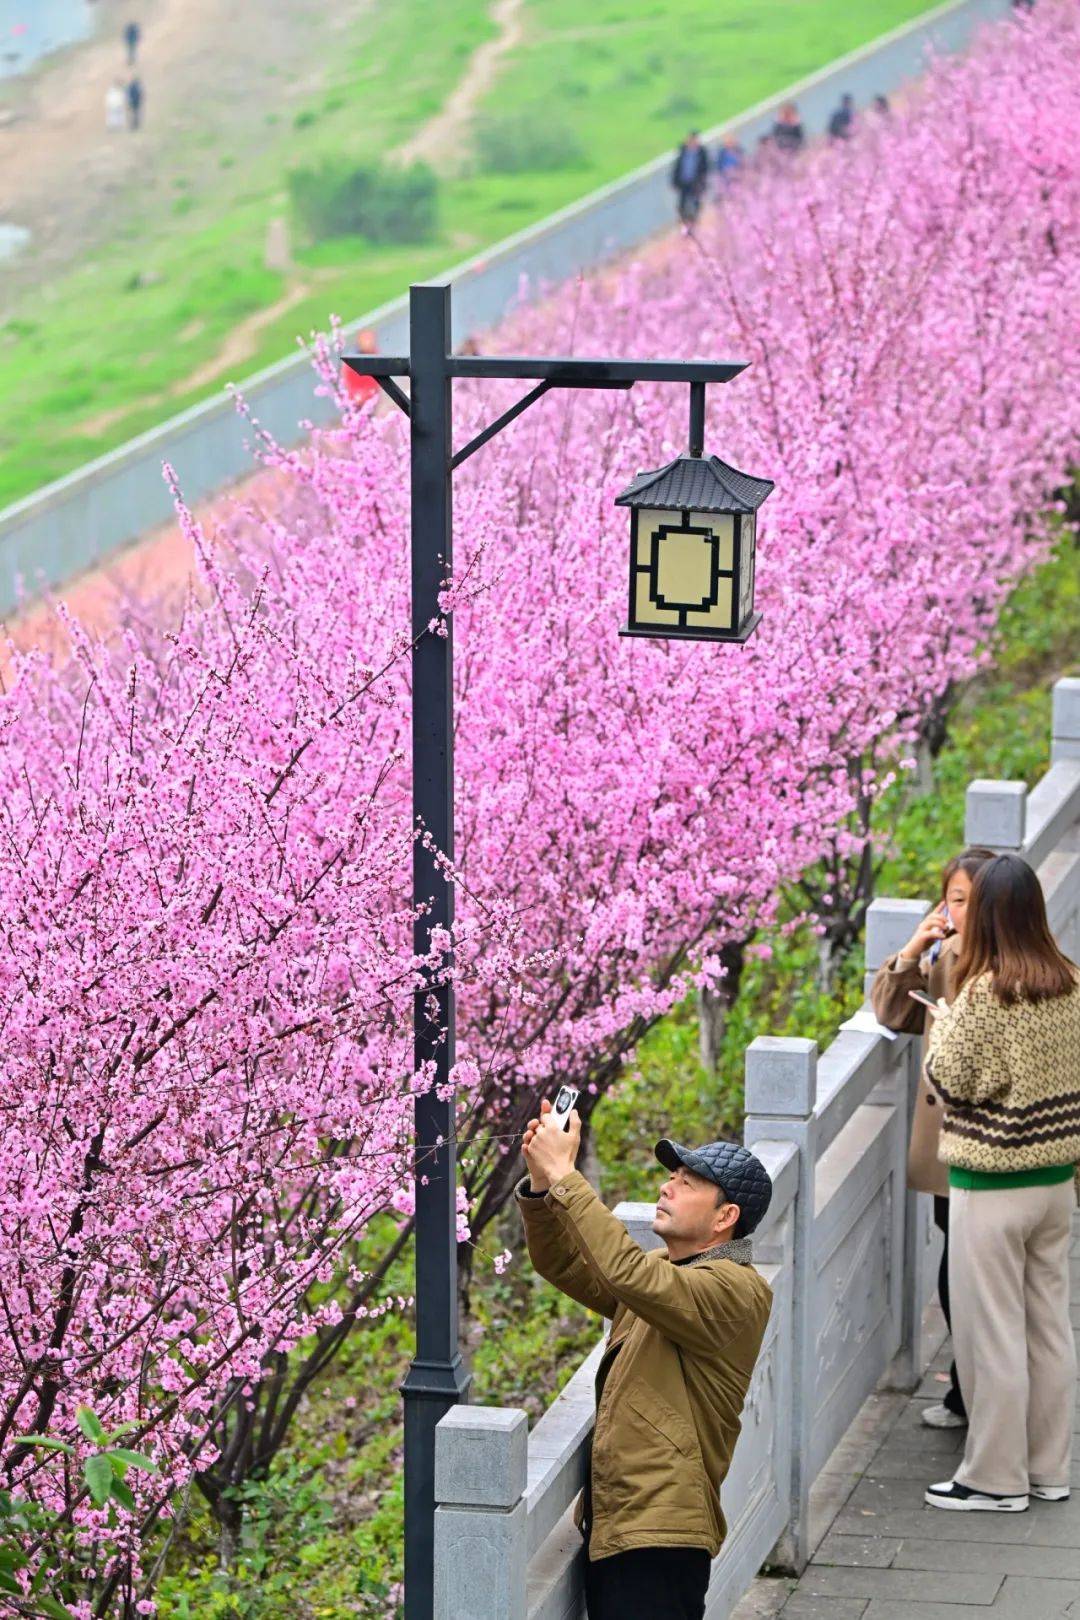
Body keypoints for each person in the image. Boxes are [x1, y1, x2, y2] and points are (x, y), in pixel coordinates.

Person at [518, 1101, 773, 1620]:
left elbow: (627, 1273)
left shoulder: (735, 1290)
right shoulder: (669, 1275)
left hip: (662, 1533)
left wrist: (568, 1176)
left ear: (726, 1217)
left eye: (687, 1183)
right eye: (671, 1176)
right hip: (626, 1519)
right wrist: (544, 1185)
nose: (666, 1187)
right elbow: (565, 1264)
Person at [923, 853, 1080, 1512]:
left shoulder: (986, 991)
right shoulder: (1071, 980)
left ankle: (994, 1479)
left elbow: (949, 1075)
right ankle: (1049, 1469)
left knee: (992, 1336)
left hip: (991, 1181)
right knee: (1050, 1329)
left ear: (985, 914)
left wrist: (947, 1014)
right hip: (1055, 1183)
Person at [871, 846, 995, 1430]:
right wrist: (913, 951)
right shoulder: (946, 957)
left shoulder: (1010, 967)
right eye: (954, 899)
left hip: (991, 1141)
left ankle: (977, 1394)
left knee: (973, 1268)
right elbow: (892, 1014)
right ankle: (970, 1390)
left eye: (972, 899)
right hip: (951, 1141)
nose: (960, 910)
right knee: (955, 1253)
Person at [670, 132, 708, 225]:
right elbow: (677, 168)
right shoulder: (682, 152)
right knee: (682, 205)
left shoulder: (702, 153)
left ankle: (693, 222)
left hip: (696, 184)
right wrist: (675, 182)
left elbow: (705, 169)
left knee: (695, 204)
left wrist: (702, 182)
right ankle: (684, 223)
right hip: (684, 183)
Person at [343, 327, 379, 408]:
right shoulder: (352, 363)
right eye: (365, 340)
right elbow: (349, 384)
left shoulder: (375, 355)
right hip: (358, 401)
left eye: (370, 339)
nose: (369, 343)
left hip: (371, 398)